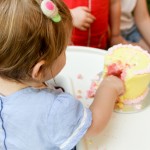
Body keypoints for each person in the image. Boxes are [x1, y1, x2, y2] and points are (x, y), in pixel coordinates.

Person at [0, 0, 125, 150]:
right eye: (65, 48)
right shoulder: (55, 110)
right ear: (39, 70)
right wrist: (108, 88)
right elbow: (93, 127)